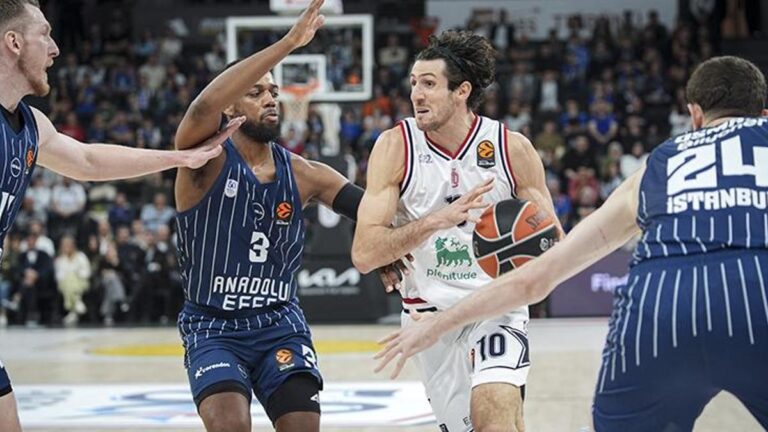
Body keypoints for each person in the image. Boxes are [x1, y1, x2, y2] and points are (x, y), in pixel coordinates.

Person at [375, 56, 768, 432]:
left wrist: (438, 325)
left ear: (694, 115)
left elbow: (541, 275)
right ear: (764, 117)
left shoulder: (663, 161)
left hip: (662, 309)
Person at [0, 1, 241, 430]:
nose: (55, 48)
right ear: (14, 42)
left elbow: (89, 161)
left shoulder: (31, 125)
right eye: (45, 34)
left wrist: (180, 158)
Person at [171, 1, 393, 431]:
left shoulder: (306, 174)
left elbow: (373, 211)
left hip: (278, 322)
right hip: (213, 325)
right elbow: (201, 108)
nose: (271, 99)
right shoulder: (203, 159)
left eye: (273, 91)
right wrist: (290, 42)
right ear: (230, 107)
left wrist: (392, 246)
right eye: (255, 92)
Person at [352, 30, 563, 432]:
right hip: (428, 317)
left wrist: (530, 251)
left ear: (461, 91)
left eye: (429, 84)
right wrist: (436, 221)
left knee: (494, 414)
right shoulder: (395, 146)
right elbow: (364, 254)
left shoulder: (511, 148)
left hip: (496, 308)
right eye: (414, 83)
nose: (416, 94)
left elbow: (555, 243)